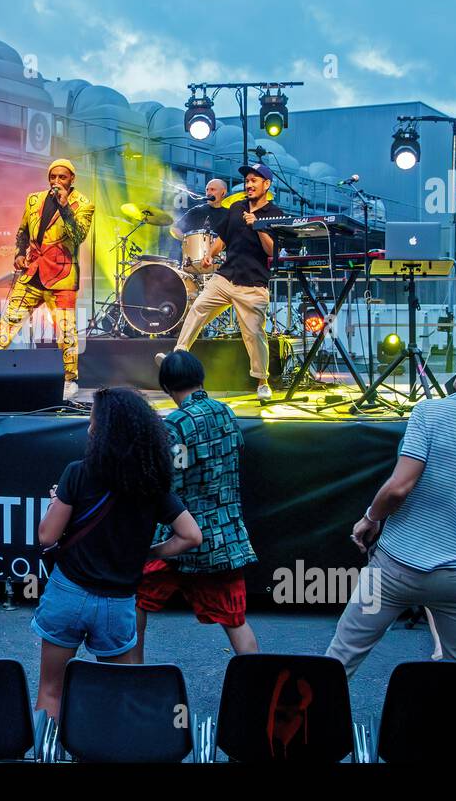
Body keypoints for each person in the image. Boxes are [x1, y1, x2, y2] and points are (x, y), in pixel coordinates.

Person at [324, 331, 456, 675]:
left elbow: (399, 487)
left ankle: (312, 726)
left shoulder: (429, 413)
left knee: (340, 659)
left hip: (395, 567)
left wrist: (370, 518)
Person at [34, 387, 202, 717]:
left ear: (105, 430)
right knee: (117, 692)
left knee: (51, 691)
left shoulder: (78, 472)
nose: (89, 428)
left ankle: (45, 754)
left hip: (68, 593)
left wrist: (56, 503)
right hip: (118, 601)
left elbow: (46, 536)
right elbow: (191, 536)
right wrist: (150, 553)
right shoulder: (152, 483)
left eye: (93, 422)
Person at [137, 351, 258, 658]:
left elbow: (167, 484)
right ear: (201, 377)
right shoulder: (227, 413)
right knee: (236, 621)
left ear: (166, 387)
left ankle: (128, 676)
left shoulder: (174, 425)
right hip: (224, 540)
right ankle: (261, 688)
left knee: (133, 601)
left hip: (178, 537)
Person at [158, 163, 279, 403]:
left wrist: (258, 225)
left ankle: (262, 382)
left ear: (266, 184)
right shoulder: (235, 208)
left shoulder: (275, 214)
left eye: (255, 180)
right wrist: (209, 254)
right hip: (225, 277)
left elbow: (272, 251)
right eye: (247, 181)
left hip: (252, 284)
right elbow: (223, 237)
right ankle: (176, 357)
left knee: (254, 334)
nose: (249, 184)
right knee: (197, 311)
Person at [0, 158, 95, 401]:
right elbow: (23, 231)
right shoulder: (34, 199)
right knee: (8, 321)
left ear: (72, 180)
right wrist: (18, 254)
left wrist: (65, 206)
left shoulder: (84, 205)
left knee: (65, 331)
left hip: (62, 276)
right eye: (53, 177)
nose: (56, 181)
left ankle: (69, 380)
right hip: (32, 272)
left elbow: (77, 236)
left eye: (62, 177)